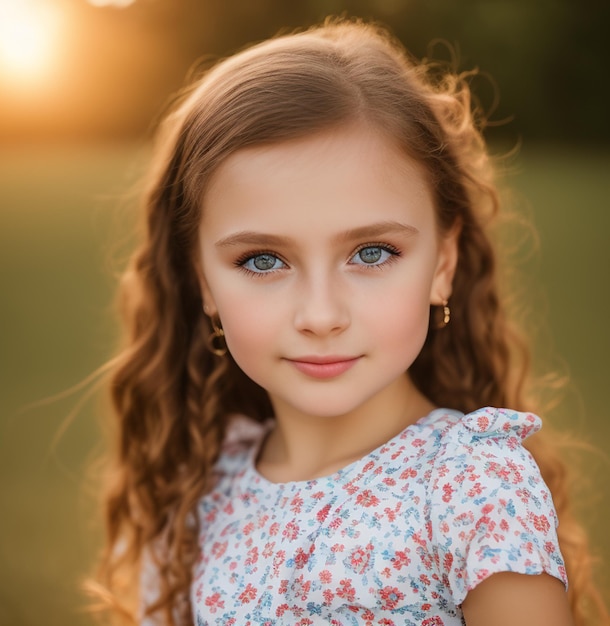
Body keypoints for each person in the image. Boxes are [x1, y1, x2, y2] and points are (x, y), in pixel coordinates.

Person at [93, 17, 608, 626]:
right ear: (203, 282)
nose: (320, 315)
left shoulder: (473, 488)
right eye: (262, 260)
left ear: (443, 264)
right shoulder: (201, 497)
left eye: (371, 254)